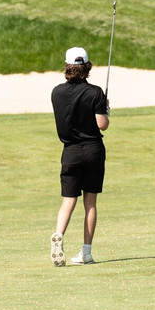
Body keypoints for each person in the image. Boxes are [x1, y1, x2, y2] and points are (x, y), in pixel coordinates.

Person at [49, 46, 109, 266]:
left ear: (67, 66)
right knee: (90, 203)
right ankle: (86, 252)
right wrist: (105, 110)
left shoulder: (56, 92)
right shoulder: (95, 92)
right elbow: (102, 125)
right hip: (93, 150)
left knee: (68, 201)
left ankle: (59, 235)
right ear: (87, 67)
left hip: (70, 151)